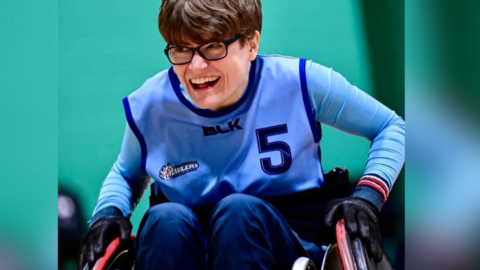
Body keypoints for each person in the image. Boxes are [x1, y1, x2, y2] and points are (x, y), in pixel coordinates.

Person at [77, 0, 405, 269]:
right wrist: (107, 214)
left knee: (238, 213)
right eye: (181, 50)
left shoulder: (301, 82)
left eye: (212, 47)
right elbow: (125, 172)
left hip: (290, 239)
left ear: (251, 44)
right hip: (187, 245)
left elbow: (391, 127)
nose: (195, 67)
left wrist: (368, 197)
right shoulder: (150, 105)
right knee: (164, 219)